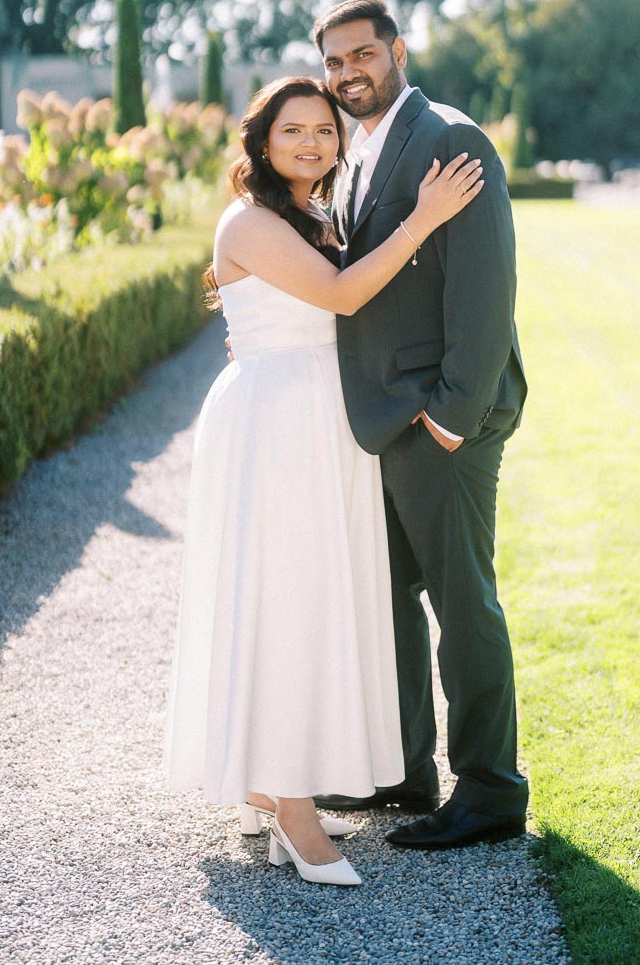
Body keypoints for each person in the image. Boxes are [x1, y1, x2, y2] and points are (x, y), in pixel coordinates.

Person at [164, 76, 483, 887]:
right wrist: (426, 217)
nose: (312, 142)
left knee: (307, 599)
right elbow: (341, 293)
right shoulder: (250, 219)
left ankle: (274, 785)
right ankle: (292, 812)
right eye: (293, 129)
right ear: (262, 142)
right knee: (281, 599)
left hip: (316, 420)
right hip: (275, 426)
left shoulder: (310, 214)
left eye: (324, 130)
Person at [313, 0, 529, 850]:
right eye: (333, 62)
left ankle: (490, 789)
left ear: (397, 50)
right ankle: (408, 770)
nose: (347, 74)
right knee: (394, 599)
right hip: (390, 423)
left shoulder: (449, 137)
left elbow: (486, 288)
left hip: (444, 422)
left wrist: (451, 417)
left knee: (460, 602)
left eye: (362, 55)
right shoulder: (359, 151)